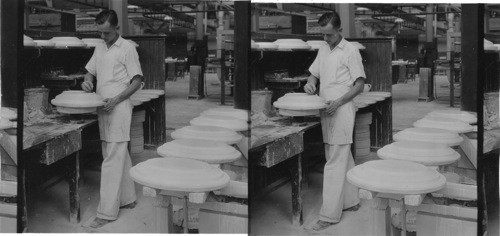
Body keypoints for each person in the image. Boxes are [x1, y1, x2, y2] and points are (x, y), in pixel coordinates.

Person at [303, 11, 366, 231]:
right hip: (325, 108)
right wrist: (310, 84)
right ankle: (351, 201)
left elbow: (358, 85)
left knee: (334, 161)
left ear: (339, 30)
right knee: (340, 155)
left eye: (329, 35)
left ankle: (328, 216)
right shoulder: (323, 49)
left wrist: (338, 102)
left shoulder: (350, 51)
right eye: (323, 35)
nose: (326, 38)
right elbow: (314, 74)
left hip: (341, 109)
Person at [81, 9, 143, 228]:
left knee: (111, 158)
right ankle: (128, 198)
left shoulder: (127, 48)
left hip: (119, 107)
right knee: (116, 153)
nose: (103, 37)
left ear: (117, 28)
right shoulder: (100, 47)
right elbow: (91, 71)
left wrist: (116, 100)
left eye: (106, 33)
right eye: (100, 33)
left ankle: (106, 213)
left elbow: (136, 81)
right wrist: (87, 81)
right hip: (102, 106)